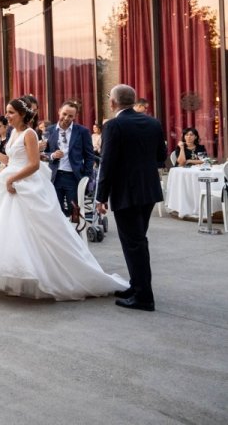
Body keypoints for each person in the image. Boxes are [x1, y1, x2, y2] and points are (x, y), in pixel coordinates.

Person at [0, 98, 128, 300]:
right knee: (11, 231)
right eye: (7, 112)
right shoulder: (13, 133)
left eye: (11, 112)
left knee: (40, 230)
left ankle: (55, 273)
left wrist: (12, 179)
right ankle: (19, 274)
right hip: (10, 184)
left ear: (21, 114)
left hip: (25, 185)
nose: (7, 116)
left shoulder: (29, 133)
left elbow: (34, 164)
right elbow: (11, 160)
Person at [96, 84, 166, 312]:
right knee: (137, 240)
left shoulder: (114, 125)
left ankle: (144, 296)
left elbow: (106, 163)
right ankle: (137, 286)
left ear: (113, 103)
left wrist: (100, 197)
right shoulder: (153, 123)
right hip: (148, 191)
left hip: (127, 192)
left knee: (134, 243)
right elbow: (161, 156)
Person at [44, 101, 96, 217]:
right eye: (64, 114)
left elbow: (89, 156)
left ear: (75, 116)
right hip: (54, 176)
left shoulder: (82, 131)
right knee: (56, 210)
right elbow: (44, 153)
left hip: (73, 177)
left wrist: (86, 176)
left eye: (70, 116)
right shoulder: (50, 130)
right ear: (59, 112)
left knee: (75, 211)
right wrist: (52, 155)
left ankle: (76, 233)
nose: (66, 118)